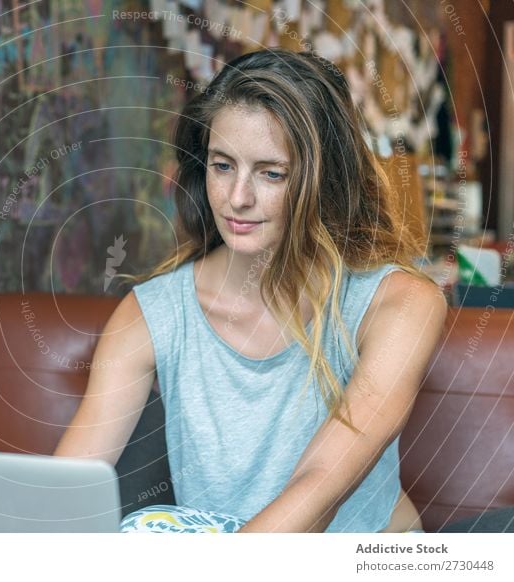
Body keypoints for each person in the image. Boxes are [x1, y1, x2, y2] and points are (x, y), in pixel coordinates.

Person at [53, 48, 447, 533]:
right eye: (222, 165)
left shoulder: (402, 304)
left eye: (271, 173)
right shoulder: (151, 313)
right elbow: (66, 489)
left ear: (325, 180)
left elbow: (319, 484)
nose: (237, 198)